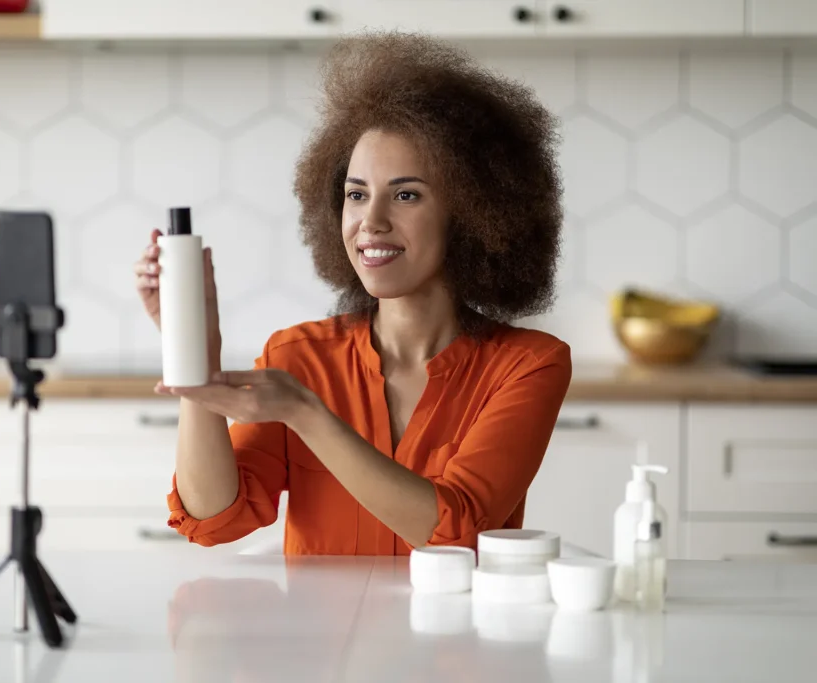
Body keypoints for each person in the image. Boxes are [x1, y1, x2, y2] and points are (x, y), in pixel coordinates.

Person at [134, 31, 571, 556]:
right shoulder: (298, 358)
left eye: (406, 195)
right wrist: (197, 353)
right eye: (356, 195)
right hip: (320, 638)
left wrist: (306, 414)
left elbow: (459, 531)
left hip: (456, 639)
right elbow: (213, 519)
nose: (372, 222)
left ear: (474, 214)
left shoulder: (528, 366)